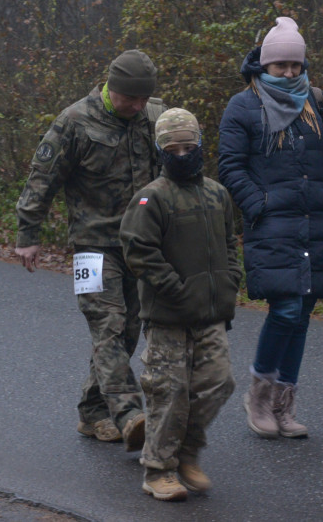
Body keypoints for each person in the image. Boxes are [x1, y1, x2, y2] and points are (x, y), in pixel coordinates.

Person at [15, 49, 163, 451]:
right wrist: (29, 233)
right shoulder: (75, 121)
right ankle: (130, 415)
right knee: (108, 324)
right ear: (111, 88)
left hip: (141, 242)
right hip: (92, 246)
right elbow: (41, 178)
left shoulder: (154, 118)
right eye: (129, 98)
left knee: (130, 329)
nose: (135, 106)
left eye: (141, 98)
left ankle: (93, 410)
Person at [218, 16, 323, 439]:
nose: (290, 73)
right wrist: (260, 205)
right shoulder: (244, 105)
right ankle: (258, 396)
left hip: (316, 220)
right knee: (286, 308)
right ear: (265, 65)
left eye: (296, 65)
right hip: (272, 223)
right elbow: (231, 166)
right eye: (281, 66)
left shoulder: (320, 103)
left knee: (305, 311)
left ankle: (283, 404)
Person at [120, 108, 241, 502]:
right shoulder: (150, 197)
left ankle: (187, 454)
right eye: (174, 147)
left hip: (211, 315)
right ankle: (159, 469)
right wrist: (175, 288)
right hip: (168, 316)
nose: (183, 153)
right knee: (168, 392)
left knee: (217, 382)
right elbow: (139, 251)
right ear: (161, 150)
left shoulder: (216, 193)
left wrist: (230, 282)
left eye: (189, 146)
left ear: (200, 145)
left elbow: (229, 244)